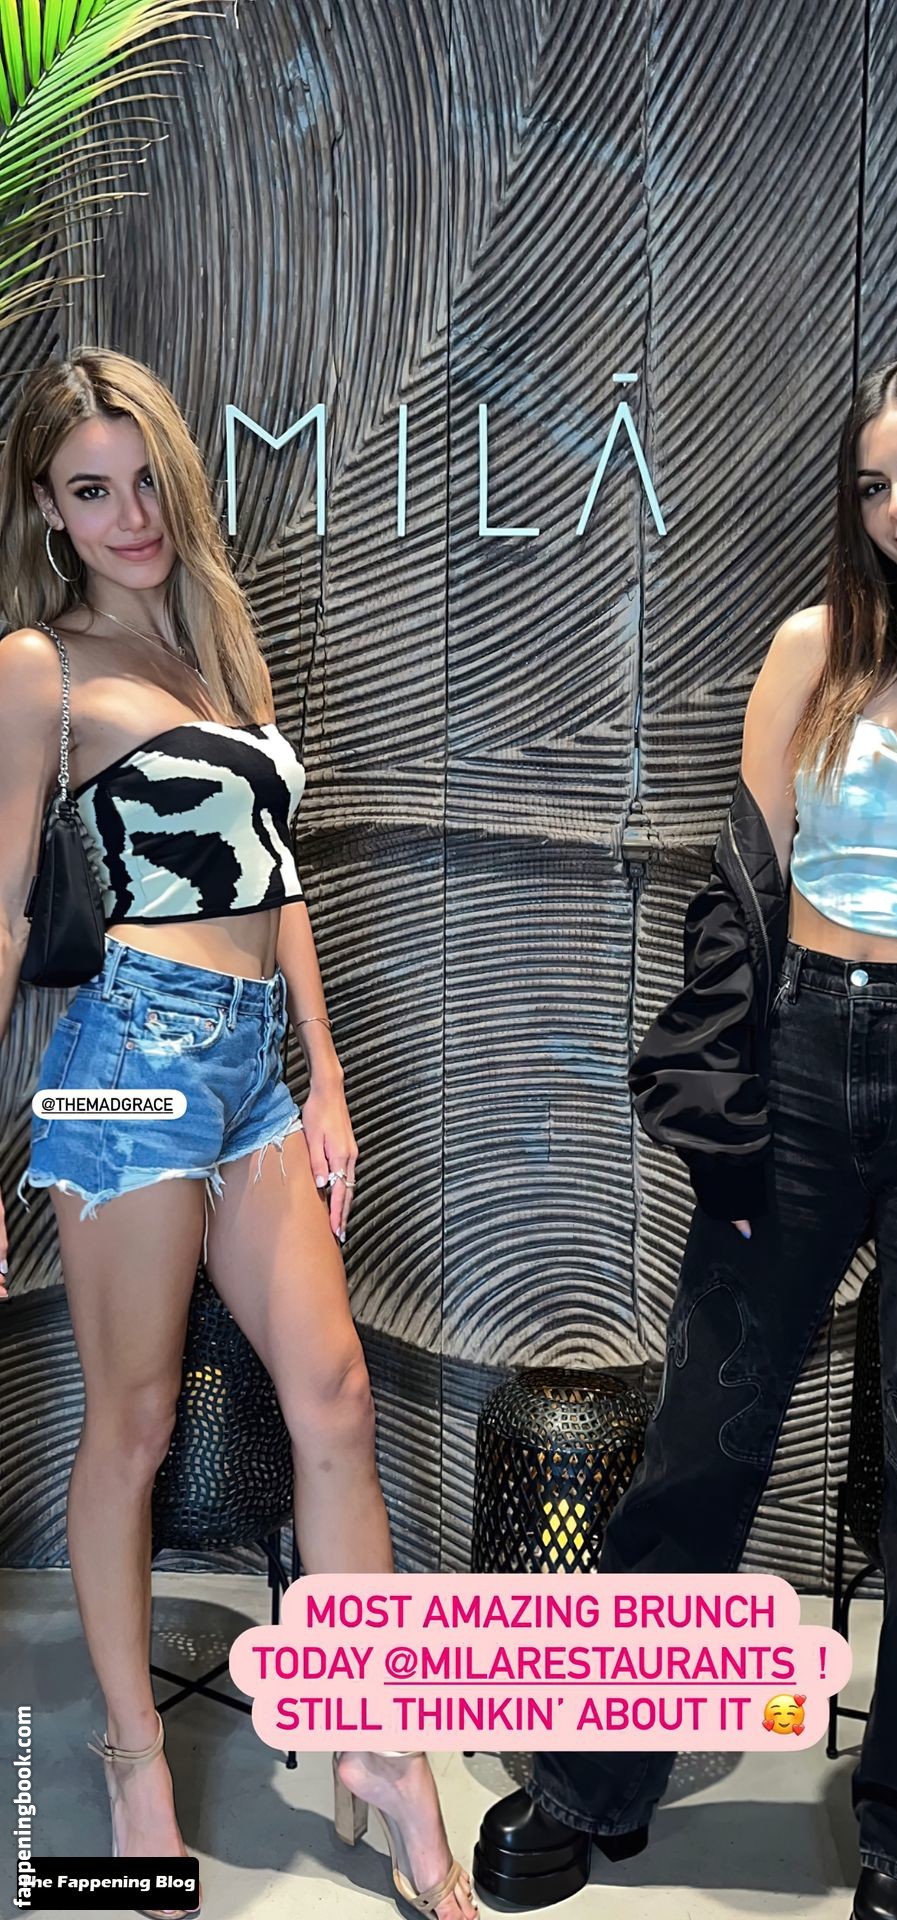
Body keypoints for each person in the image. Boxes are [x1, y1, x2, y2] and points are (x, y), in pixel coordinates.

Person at [474, 345, 897, 1920]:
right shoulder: (818, 649)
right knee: (704, 1436)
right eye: (876, 482)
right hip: (805, 1056)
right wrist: (725, 1106)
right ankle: (589, 1776)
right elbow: (738, 892)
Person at [0, 348, 478, 1920]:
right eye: (92, 491)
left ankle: (379, 1747)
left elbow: (279, 880)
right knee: (132, 1427)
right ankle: (134, 1758)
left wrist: (325, 1074)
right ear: (48, 510)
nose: (129, 515)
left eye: (146, 481)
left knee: (335, 1397)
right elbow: (1, 915)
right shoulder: (39, 666)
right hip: (126, 1070)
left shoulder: (214, 644)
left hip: (253, 1072)